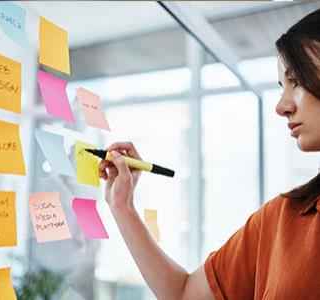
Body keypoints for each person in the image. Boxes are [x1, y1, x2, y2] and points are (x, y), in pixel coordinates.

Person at [98, 8, 320, 300]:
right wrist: (122, 206)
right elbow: (184, 293)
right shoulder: (279, 220)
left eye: (296, 81)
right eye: (282, 86)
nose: (282, 106)